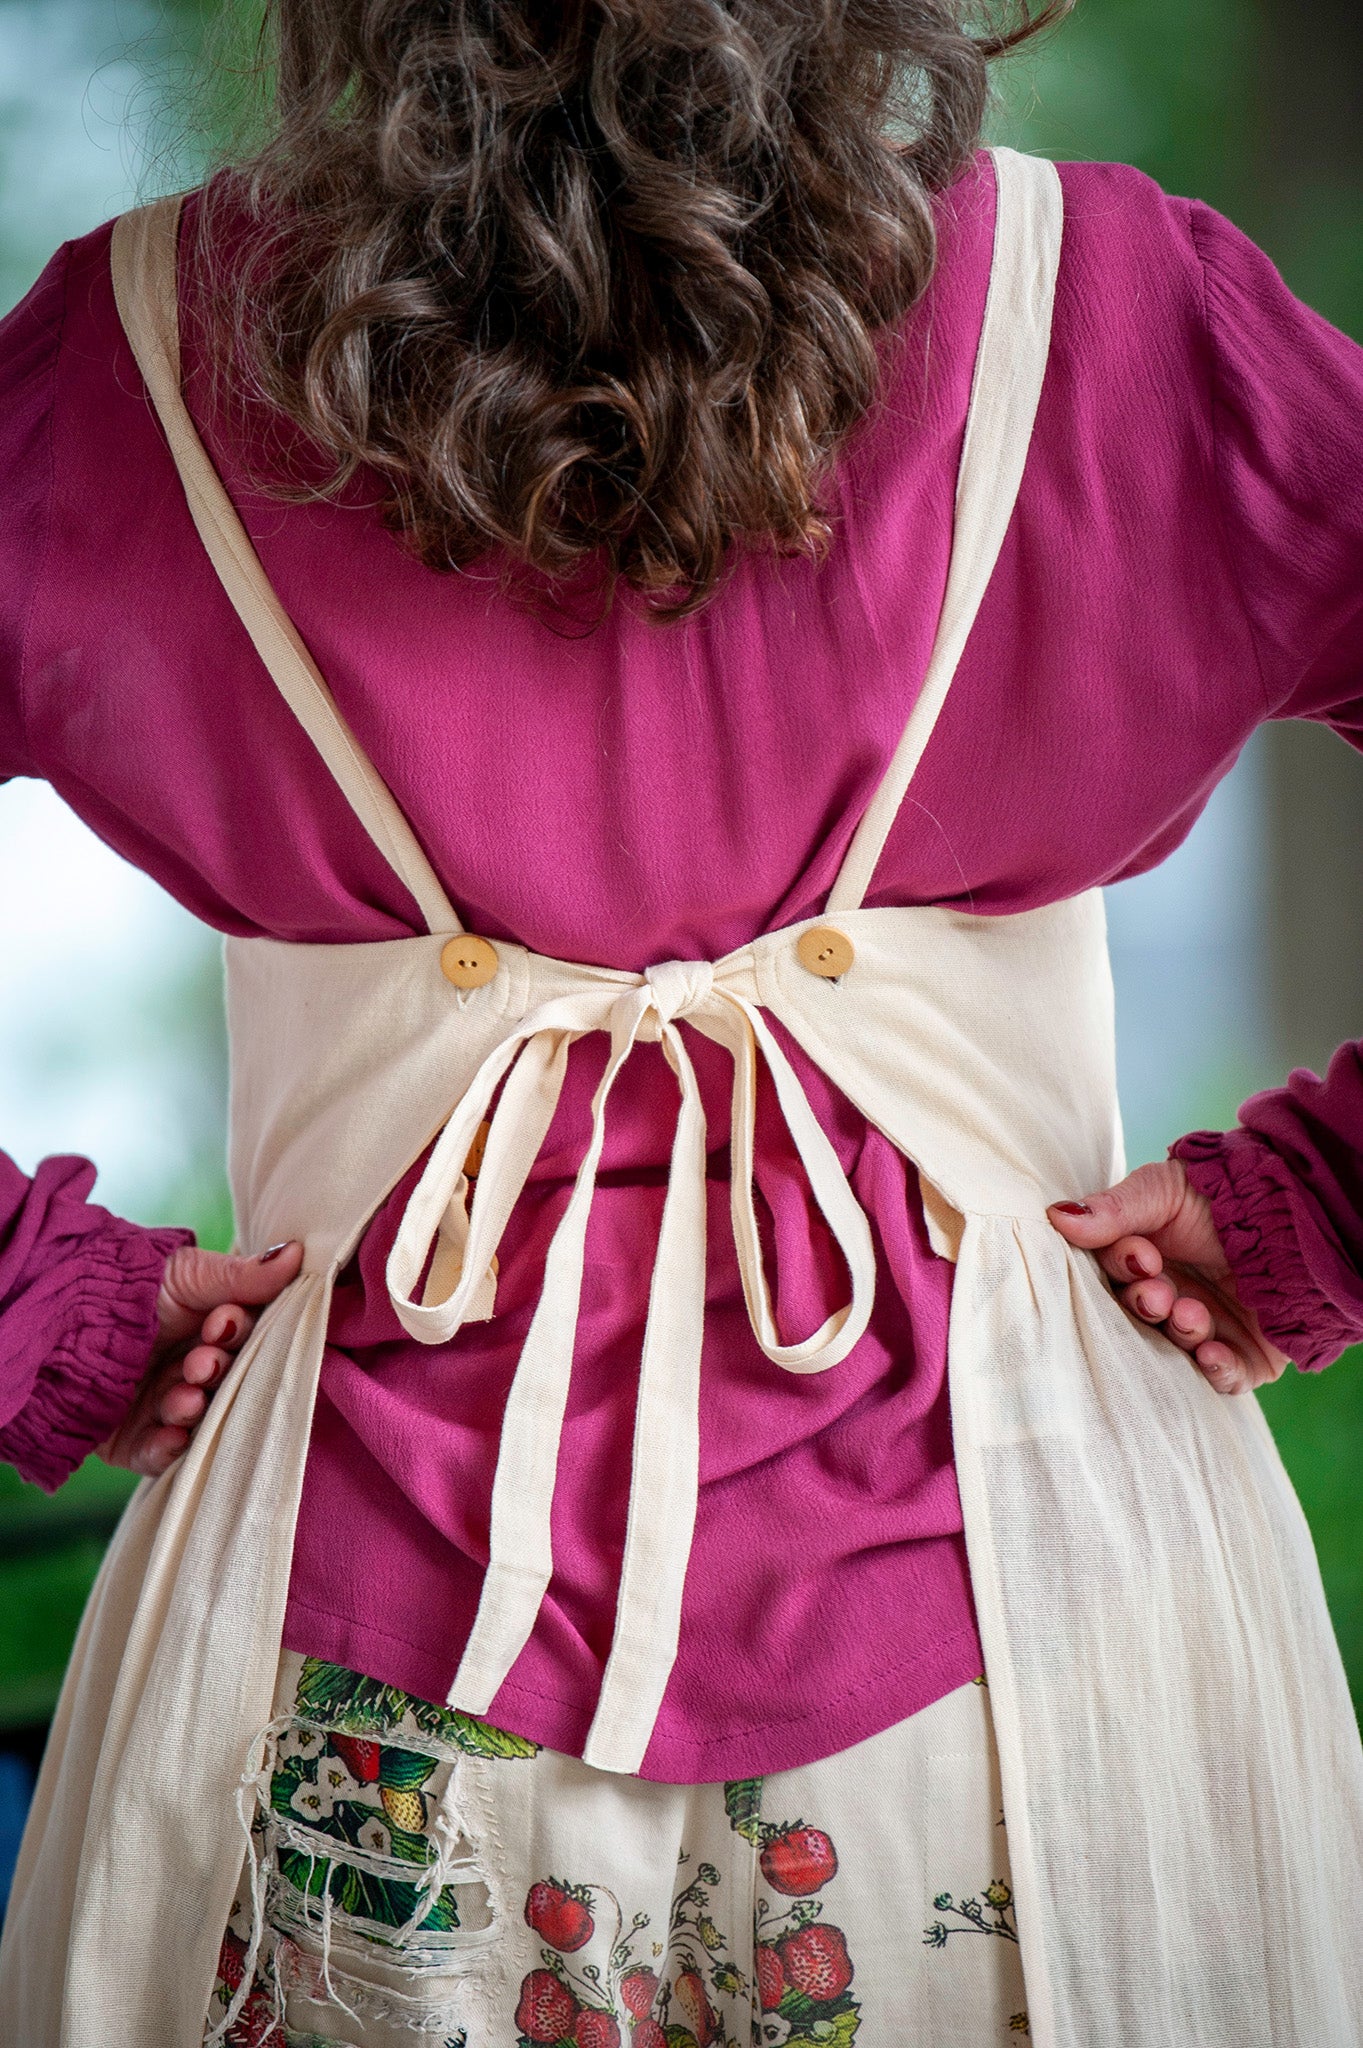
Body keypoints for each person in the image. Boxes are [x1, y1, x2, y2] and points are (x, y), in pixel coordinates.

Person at [1, 3, 1362, 2043]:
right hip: (1033, 1667)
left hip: (344, 1689)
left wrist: (46, 1300)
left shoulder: (126, 371)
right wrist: (1315, 1214)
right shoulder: (1131, 329)